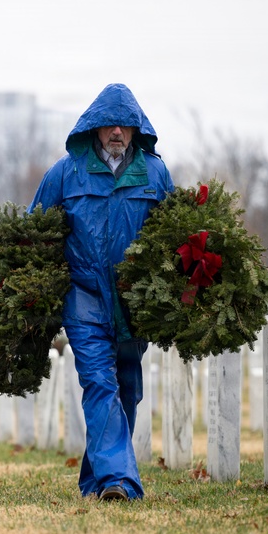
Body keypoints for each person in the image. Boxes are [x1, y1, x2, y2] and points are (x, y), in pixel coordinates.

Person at [28, 83, 174, 502]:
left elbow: (174, 233)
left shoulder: (155, 174)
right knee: (98, 381)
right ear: (93, 127)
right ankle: (120, 481)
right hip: (84, 297)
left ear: (136, 129)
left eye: (125, 125)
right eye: (109, 124)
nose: (116, 132)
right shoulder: (65, 173)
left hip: (134, 303)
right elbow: (33, 232)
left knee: (127, 388)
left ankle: (96, 480)